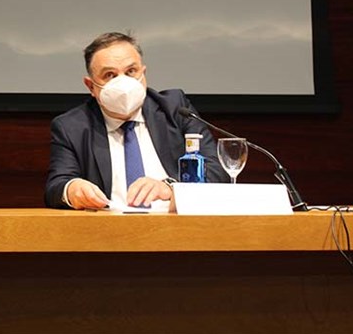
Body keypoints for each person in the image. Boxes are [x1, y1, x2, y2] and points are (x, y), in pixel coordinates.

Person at [44, 31, 228, 210]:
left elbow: (217, 170)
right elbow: (56, 186)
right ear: (91, 86)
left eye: (131, 71)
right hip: (109, 226)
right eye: (110, 75)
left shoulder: (175, 108)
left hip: (175, 222)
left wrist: (171, 187)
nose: (123, 83)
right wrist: (71, 189)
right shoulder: (72, 127)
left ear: (143, 74)